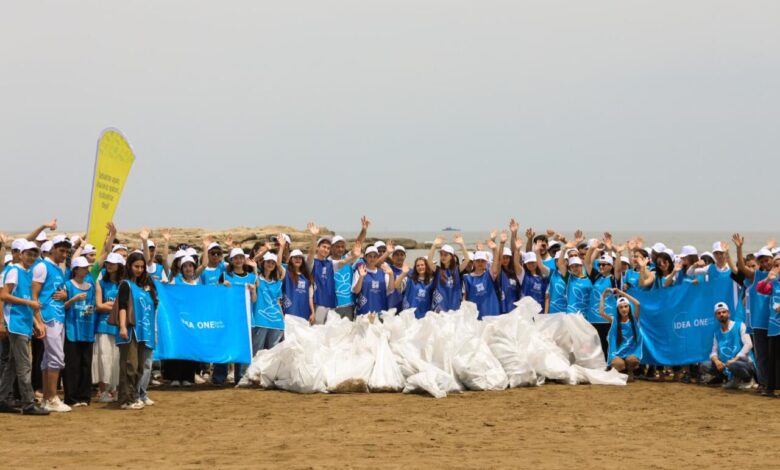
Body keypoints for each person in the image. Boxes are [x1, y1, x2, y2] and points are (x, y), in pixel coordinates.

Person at [0, 241, 49, 415]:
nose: (32, 257)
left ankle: (2, 398)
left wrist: (36, 323)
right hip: (16, 323)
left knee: (14, 364)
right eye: (29, 253)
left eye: (34, 254)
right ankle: (28, 403)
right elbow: (4, 295)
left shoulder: (27, 273)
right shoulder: (14, 270)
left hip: (23, 323)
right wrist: (28, 303)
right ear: (20, 254)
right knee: (24, 365)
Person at [31, 234, 72, 413]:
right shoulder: (42, 266)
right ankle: (52, 398)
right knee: (56, 357)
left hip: (58, 315)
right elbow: (34, 295)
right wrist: (38, 321)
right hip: (48, 316)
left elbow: (59, 291)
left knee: (49, 358)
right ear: (53, 249)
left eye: (66, 251)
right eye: (61, 250)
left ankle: (48, 398)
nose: (64, 254)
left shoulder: (59, 269)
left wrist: (65, 295)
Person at [113, 251, 158, 410]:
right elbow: (123, 306)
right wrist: (123, 326)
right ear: (129, 266)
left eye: (141, 267)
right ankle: (126, 400)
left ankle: (134, 396)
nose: (139, 269)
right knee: (129, 365)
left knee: (139, 366)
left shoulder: (144, 286)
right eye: (136, 266)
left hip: (143, 332)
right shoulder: (125, 284)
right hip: (131, 330)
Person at [733, 234, 772, 392]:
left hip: (775, 322)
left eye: (766, 260)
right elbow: (741, 268)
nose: (764, 263)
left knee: (774, 355)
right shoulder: (757, 276)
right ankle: (764, 383)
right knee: (762, 356)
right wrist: (739, 248)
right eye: (761, 261)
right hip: (758, 323)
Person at [212, 248, 257, 386]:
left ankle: (241, 377)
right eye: (235, 258)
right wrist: (221, 286)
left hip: (244, 318)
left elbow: (254, 300)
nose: (238, 260)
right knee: (224, 345)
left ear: (244, 259)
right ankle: (219, 377)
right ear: (231, 260)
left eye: (241, 257)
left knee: (242, 347)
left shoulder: (251, 277)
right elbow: (217, 295)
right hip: (228, 317)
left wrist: (253, 290)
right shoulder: (225, 276)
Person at [306, 223, 361, 324]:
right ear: (318, 248)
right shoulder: (312, 263)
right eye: (323, 247)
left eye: (328, 248)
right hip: (318, 304)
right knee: (318, 331)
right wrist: (314, 236)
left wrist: (355, 257)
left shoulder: (330, 264)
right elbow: (311, 253)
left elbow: (343, 262)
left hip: (331, 305)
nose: (326, 250)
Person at [62, 256, 97, 407]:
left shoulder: (91, 286)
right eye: (83, 267)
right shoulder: (67, 285)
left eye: (87, 267)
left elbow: (93, 305)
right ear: (75, 269)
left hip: (87, 329)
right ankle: (71, 397)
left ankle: (84, 396)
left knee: (85, 364)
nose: (86, 269)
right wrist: (73, 299)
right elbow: (62, 307)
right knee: (72, 364)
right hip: (72, 329)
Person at [699, 302, 755, 389]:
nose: (721, 314)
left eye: (724, 312)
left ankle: (748, 379)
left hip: (743, 363)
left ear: (728, 313)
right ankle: (729, 379)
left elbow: (749, 344)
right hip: (726, 364)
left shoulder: (740, 326)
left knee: (734, 365)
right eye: (719, 313)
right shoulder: (717, 333)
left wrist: (734, 359)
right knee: (704, 365)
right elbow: (713, 352)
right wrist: (717, 362)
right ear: (716, 316)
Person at [165, 256, 200, 387]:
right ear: (181, 269)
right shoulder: (176, 281)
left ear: (194, 268)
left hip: (193, 321)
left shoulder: (198, 284)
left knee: (190, 348)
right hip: (178, 321)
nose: (188, 268)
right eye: (185, 266)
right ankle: (174, 377)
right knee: (177, 347)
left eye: (190, 266)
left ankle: (187, 377)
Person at [94, 252, 124, 402]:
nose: (109, 265)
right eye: (108, 263)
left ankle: (116, 390)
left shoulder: (124, 284)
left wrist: (110, 305)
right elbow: (98, 305)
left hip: (120, 326)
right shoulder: (100, 283)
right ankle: (104, 391)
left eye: (112, 263)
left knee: (117, 360)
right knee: (104, 359)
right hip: (103, 325)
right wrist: (117, 307)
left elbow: (125, 305)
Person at [598, 288, 642, 381]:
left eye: (626, 306)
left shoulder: (634, 320)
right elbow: (601, 312)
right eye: (621, 307)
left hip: (631, 352)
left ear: (629, 307)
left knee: (632, 360)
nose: (624, 309)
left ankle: (630, 371)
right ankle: (621, 371)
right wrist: (603, 295)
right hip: (617, 353)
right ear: (617, 309)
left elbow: (637, 304)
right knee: (618, 364)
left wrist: (621, 293)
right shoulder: (614, 321)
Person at [426, 234, 470, 313]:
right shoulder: (438, 270)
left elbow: (467, 260)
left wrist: (462, 244)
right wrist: (434, 245)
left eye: (446, 254)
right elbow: (429, 261)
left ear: (451, 257)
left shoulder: (457, 270)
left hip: (455, 307)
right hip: (440, 308)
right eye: (441, 254)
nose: (443, 257)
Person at [756, 260, 780, 397]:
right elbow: (759, 289)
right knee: (773, 357)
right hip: (773, 326)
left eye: (778, 265)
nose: (776, 267)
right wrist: (767, 278)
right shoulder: (774, 283)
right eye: (775, 265)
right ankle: (771, 387)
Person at [352, 246, 396, 315]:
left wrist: (391, 274)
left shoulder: (383, 272)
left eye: (375, 256)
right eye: (370, 256)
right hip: (364, 312)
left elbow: (390, 289)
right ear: (365, 257)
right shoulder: (360, 271)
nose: (372, 259)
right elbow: (356, 291)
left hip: (381, 311)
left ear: (377, 258)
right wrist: (361, 277)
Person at [282, 249, 315, 322]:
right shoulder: (286, 273)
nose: (298, 259)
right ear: (291, 260)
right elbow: (278, 264)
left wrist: (312, 312)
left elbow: (310, 297)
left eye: (300, 258)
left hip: (304, 314)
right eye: (295, 257)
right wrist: (282, 247)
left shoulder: (307, 277)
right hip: (289, 314)